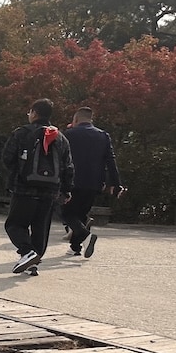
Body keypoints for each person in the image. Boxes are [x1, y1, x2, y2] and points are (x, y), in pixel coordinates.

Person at [1, 98, 74, 275]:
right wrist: (66, 189)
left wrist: (17, 174)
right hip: (50, 192)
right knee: (40, 227)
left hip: (24, 188)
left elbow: (7, 158)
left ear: (34, 112)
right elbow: (68, 166)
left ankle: (27, 252)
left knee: (15, 225)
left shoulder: (22, 133)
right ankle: (33, 262)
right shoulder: (60, 138)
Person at [61, 106, 124, 258]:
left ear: (76, 119)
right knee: (82, 213)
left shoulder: (68, 135)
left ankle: (86, 236)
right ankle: (75, 247)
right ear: (91, 119)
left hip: (72, 181)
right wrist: (116, 184)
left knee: (67, 213)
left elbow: (61, 160)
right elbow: (111, 161)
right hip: (94, 183)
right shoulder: (103, 136)